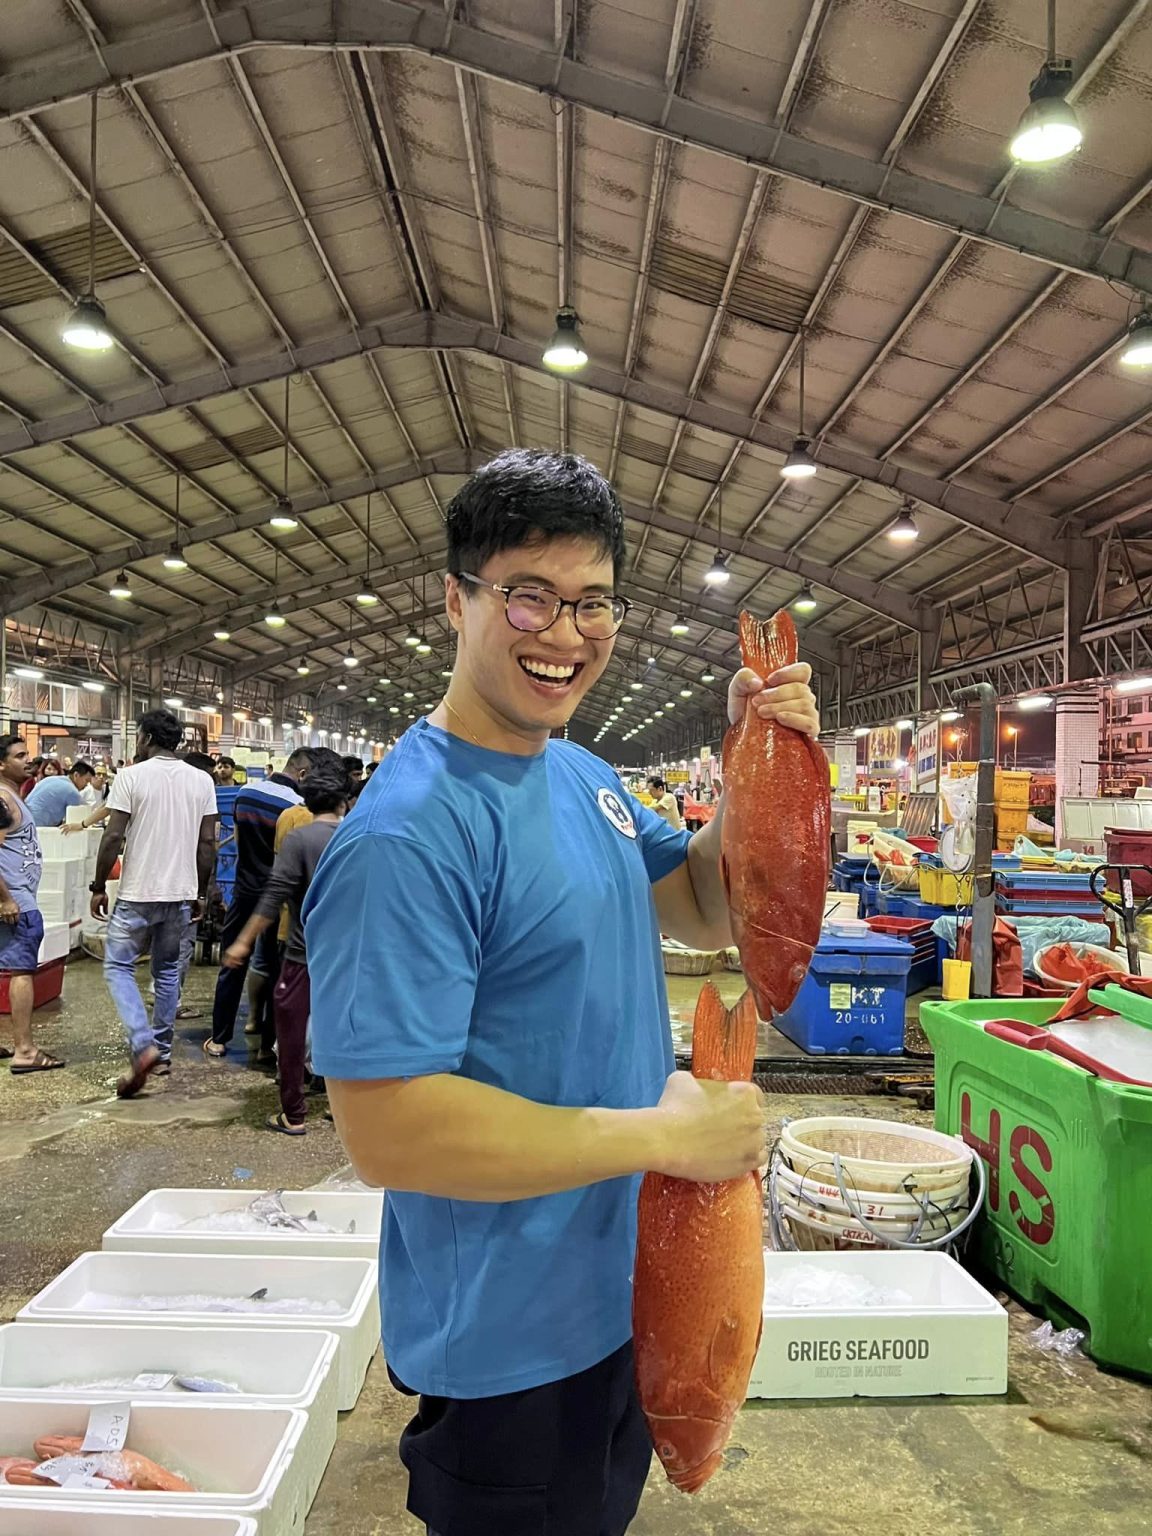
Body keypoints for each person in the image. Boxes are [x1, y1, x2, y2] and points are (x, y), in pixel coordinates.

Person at [304, 449, 819, 1536]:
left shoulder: (581, 776)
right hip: (511, 1345)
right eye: (527, 595)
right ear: (456, 598)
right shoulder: (408, 836)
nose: (563, 632)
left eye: (593, 604)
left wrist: (755, 756)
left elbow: (699, 902)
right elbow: (390, 1132)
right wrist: (658, 1137)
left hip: (624, 1293)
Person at [92, 709, 217, 1098]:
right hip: (180, 895)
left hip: (137, 895)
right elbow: (208, 843)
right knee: (166, 973)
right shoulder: (201, 780)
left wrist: (98, 884)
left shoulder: (131, 776)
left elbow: (113, 837)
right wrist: (200, 892)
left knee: (117, 967)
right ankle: (161, 1054)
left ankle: (142, 1042)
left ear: (146, 738)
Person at [222, 763, 350, 1133]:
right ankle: (342, 1110)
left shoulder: (300, 839)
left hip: (302, 955)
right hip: (347, 958)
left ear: (306, 802)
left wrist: (243, 941)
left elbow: (274, 894)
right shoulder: (356, 837)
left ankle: (293, 1115)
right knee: (341, 1032)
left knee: (291, 1036)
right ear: (344, 801)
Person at [205, 747, 312, 1058]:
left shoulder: (246, 792)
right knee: (276, 970)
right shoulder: (296, 808)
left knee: (232, 963)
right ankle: (268, 1046)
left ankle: (219, 1037)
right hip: (278, 901)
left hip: (245, 891)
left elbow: (238, 841)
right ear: (302, 774)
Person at [0, 735, 64, 1075]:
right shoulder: (2, 798)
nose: (29, 759)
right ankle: (24, 1050)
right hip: (15, 900)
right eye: (20, 755)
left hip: (14, 896)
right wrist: (7, 899)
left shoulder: (13, 796)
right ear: (1, 763)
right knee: (22, 971)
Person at [25, 760, 95, 829]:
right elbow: (75, 821)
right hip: (37, 826)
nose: (86, 785)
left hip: (23, 818)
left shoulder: (51, 779)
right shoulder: (72, 792)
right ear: (76, 775)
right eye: (86, 781)